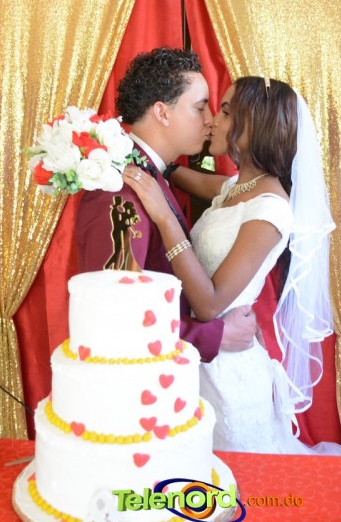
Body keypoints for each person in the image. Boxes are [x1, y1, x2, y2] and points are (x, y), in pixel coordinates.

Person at [123, 76, 341, 455]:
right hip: (198, 362)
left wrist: (164, 219)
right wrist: (134, 155)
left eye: (227, 113)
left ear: (255, 128)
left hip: (230, 377)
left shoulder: (271, 209)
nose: (212, 120)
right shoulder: (236, 188)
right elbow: (173, 173)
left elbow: (210, 304)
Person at [75, 47, 257, 362]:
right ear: (162, 113)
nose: (211, 120)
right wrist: (216, 335)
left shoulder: (149, 175)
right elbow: (115, 313)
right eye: (200, 107)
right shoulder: (121, 193)